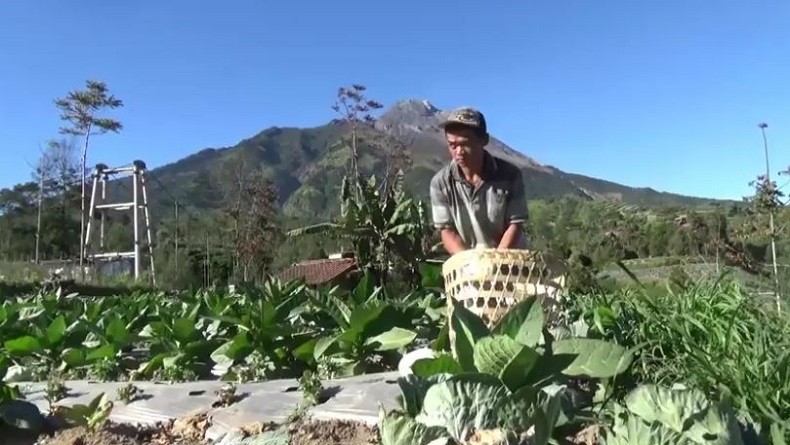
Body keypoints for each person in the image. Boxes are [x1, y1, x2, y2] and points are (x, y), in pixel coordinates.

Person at [429, 106, 529, 255]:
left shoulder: (510, 175)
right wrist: (468, 262)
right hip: (468, 261)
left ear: (484, 140)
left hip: (509, 258)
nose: (459, 152)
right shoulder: (440, 183)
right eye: (452, 145)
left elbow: (515, 224)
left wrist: (496, 259)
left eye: (465, 144)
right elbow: (447, 231)